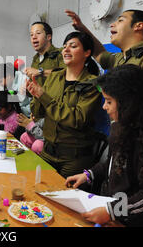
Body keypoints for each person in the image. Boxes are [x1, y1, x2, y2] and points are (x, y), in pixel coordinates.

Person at [65, 65, 143, 227]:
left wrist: (112, 211)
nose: (104, 107)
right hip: (115, 212)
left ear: (129, 104)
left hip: (134, 221)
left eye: (109, 101)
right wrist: (89, 174)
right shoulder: (120, 127)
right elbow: (113, 164)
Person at [65, 9, 143, 131]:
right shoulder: (120, 59)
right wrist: (82, 29)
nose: (112, 25)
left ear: (138, 26)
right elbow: (99, 53)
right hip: (123, 140)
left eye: (120, 20)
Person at [27, 32, 102, 178]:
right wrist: (36, 96)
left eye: (73, 46)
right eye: (64, 46)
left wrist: (44, 96)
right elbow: (38, 114)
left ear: (87, 53)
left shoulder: (92, 84)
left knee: (65, 198)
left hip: (74, 158)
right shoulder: (55, 77)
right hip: (48, 151)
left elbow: (77, 119)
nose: (66, 50)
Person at [25, 21, 65, 122]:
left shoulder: (60, 54)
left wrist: (40, 72)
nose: (34, 37)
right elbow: (34, 88)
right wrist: (26, 88)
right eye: (31, 35)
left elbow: (66, 74)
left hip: (55, 110)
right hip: (38, 112)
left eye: (38, 33)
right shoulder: (35, 59)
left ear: (48, 37)